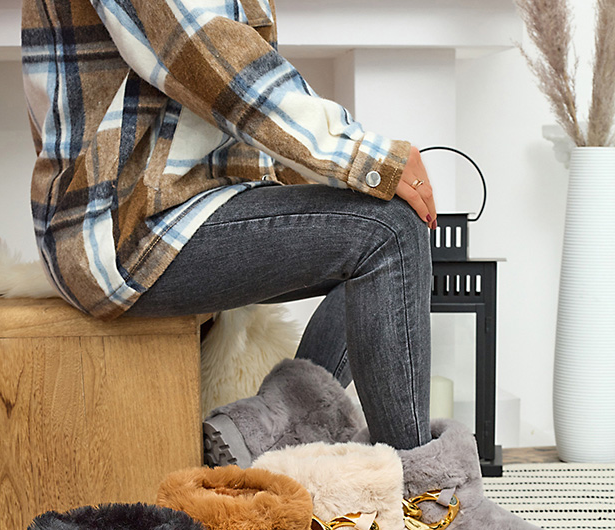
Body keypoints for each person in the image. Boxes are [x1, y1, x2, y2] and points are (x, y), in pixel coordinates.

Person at [22, 0, 437, 451]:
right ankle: (423, 488)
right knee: (388, 233)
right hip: (121, 229)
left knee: (386, 231)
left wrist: (344, 179)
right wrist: (363, 157)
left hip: (184, 206)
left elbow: (235, 103)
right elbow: (205, 53)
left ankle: (275, 435)